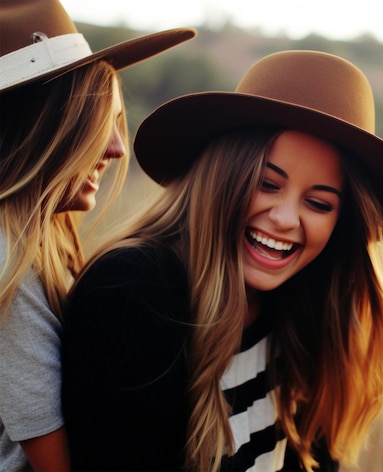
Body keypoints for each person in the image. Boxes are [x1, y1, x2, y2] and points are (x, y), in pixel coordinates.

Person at [61, 50, 383, 471]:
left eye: (318, 203)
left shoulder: (309, 304)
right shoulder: (134, 292)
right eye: (266, 183)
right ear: (223, 174)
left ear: (341, 223)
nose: (284, 219)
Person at [0, 1, 195, 470]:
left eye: (117, 122)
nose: (116, 147)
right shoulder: (12, 268)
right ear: (43, 127)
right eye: (95, 122)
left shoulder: (38, 242)